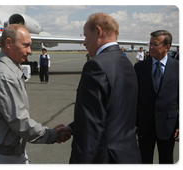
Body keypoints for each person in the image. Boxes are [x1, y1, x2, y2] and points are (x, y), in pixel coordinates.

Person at [0, 24, 70, 165]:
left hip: (5, 151)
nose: (30, 51)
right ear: (8, 43)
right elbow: (20, 122)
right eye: (25, 45)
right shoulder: (4, 75)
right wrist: (51, 135)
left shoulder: (9, 68)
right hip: (4, 157)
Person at [56, 13, 141, 164]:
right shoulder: (127, 62)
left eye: (86, 36)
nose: (84, 42)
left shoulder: (96, 65)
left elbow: (91, 127)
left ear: (98, 32)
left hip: (104, 158)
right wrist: (72, 128)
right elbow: (114, 113)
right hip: (127, 156)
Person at [134, 30, 180, 165]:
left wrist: (180, 125)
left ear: (167, 47)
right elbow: (135, 98)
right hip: (144, 125)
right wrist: (135, 123)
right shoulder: (139, 67)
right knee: (144, 160)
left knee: (166, 161)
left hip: (168, 125)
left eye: (156, 44)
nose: (151, 47)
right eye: (150, 44)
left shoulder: (178, 68)